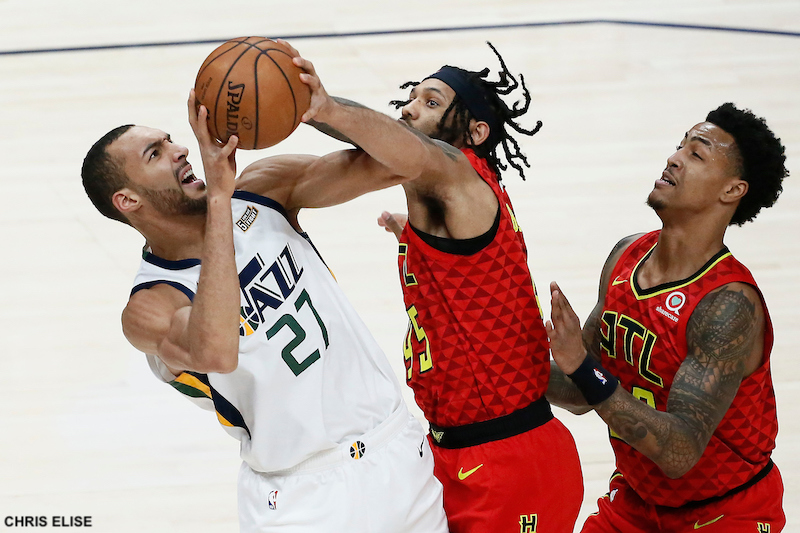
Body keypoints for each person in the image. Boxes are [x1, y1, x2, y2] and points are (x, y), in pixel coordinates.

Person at [80, 54, 449, 532]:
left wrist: (327, 109)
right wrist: (218, 199)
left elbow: (410, 163)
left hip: (398, 453)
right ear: (128, 200)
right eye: (155, 153)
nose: (181, 150)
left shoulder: (261, 191)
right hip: (301, 497)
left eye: (170, 139)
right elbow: (216, 352)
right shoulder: (151, 305)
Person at [301, 42, 584, 532]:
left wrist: (323, 108)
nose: (410, 109)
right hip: (453, 453)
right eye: (411, 98)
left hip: (509, 462)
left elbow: (399, 146)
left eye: (431, 102)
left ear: (475, 131)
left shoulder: (459, 174)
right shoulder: (448, 206)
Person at [545, 103, 788, 532]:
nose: (674, 158)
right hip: (635, 502)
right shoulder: (626, 256)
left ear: (732, 190)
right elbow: (582, 391)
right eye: (679, 146)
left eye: (696, 154)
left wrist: (582, 368)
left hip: (724, 513)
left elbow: (680, 451)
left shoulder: (728, 306)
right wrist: (499, 357)